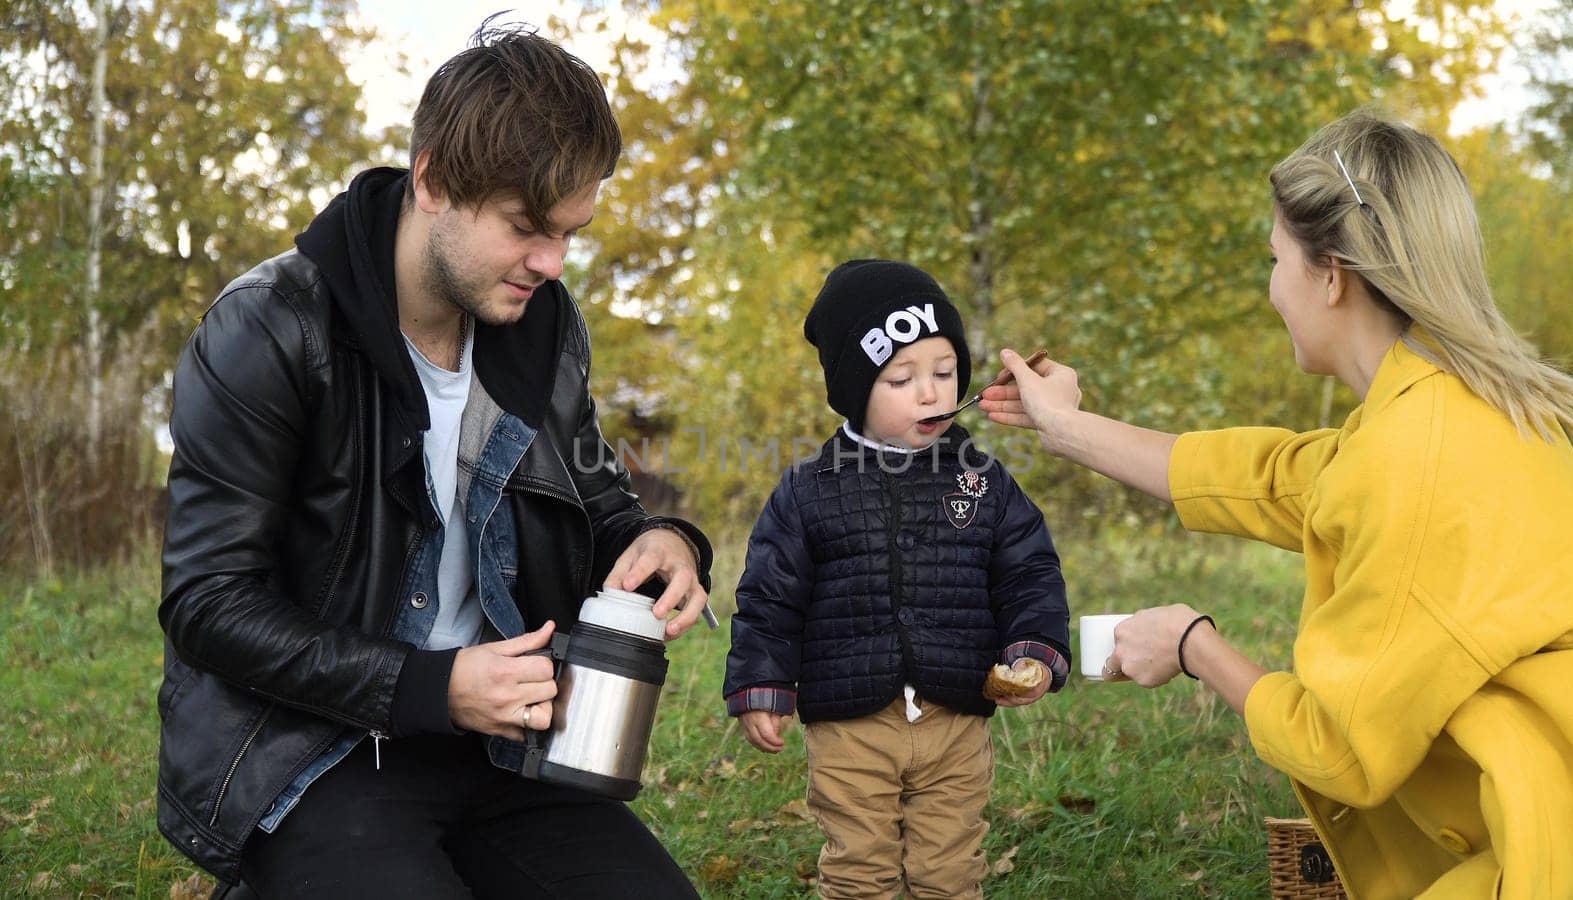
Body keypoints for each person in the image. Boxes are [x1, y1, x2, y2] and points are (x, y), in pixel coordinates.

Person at [981, 110, 1573, 898]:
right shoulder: (1439, 403)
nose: (1272, 285)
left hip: (1554, 853)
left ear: (1331, 274)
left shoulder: (1417, 461)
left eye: (1275, 258)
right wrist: (1065, 428)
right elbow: (1274, 476)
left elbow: (1341, 749)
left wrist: (1192, 645)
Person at [156, 22, 712, 898]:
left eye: (570, 232)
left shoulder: (543, 325)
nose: (551, 263)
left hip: (505, 748)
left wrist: (665, 542)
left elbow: (601, 503)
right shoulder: (269, 326)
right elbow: (206, 602)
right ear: (433, 181)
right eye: (527, 228)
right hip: (314, 752)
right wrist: (430, 686)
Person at [723, 259, 1072, 899]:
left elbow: (1029, 573)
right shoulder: (810, 490)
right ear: (856, 390)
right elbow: (770, 597)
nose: (931, 393)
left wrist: (1035, 649)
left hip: (956, 716)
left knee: (949, 870)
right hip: (851, 724)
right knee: (861, 870)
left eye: (944, 372)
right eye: (902, 378)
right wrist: (762, 681)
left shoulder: (981, 479)